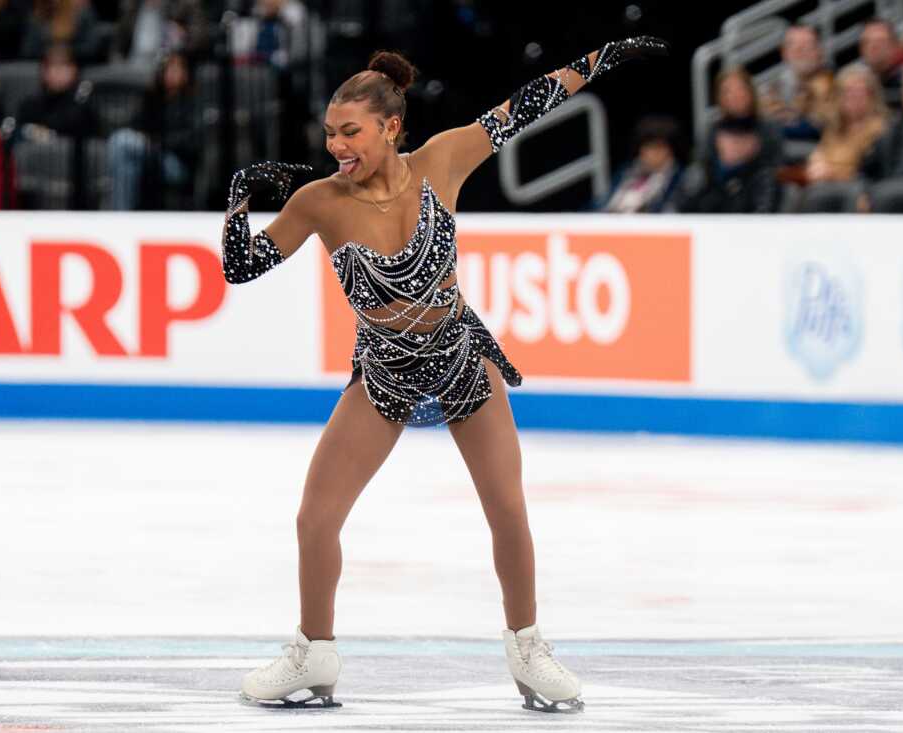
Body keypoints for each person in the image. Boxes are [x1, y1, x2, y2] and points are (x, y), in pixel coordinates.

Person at [222, 37, 670, 713]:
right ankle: (314, 653)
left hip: (462, 356)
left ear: (391, 127)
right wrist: (239, 198)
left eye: (351, 132)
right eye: (329, 134)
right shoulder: (320, 202)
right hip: (384, 371)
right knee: (317, 517)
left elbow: (524, 107)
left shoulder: (445, 159)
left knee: (507, 507)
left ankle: (529, 650)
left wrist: (601, 58)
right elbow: (242, 267)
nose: (338, 145)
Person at [106, 50, 200, 210]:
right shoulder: (153, 98)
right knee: (127, 162)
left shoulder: (192, 103)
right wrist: (146, 142)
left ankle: (119, 214)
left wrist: (156, 142)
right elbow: (134, 125)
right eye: (168, 69)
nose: (171, 73)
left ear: (186, 74)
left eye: (177, 69)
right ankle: (124, 213)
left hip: (177, 164)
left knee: (121, 142)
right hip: (150, 156)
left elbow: (192, 141)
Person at [806, 64, 889, 184]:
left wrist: (831, 173)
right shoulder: (835, 126)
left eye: (860, 91)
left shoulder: (880, 129)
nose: (854, 97)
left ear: (872, 97)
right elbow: (819, 152)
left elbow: (866, 171)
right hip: (825, 185)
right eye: (848, 92)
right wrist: (817, 163)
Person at [680, 116, 783, 213]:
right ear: (718, 140)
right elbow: (682, 211)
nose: (736, 144)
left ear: (756, 144)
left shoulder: (764, 176)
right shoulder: (702, 172)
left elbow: (762, 217)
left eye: (744, 138)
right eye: (730, 137)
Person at [760, 24, 835, 141]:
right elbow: (765, 125)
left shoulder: (836, 85)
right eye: (795, 47)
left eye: (808, 46)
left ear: (819, 50)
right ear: (784, 53)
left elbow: (820, 125)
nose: (802, 53)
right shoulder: (771, 88)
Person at [600, 115, 685, 213]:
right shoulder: (625, 172)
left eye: (657, 147)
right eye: (647, 147)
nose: (650, 153)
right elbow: (600, 204)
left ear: (671, 150)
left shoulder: (679, 180)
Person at [704, 67, 783, 169]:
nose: (736, 95)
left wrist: (752, 153)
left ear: (750, 92)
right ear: (720, 98)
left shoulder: (769, 128)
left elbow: (777, 168)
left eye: (740, 88)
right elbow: (706, 173)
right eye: (728, 91)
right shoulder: (713, 133)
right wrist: (724, 164)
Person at [16, 43, 97, 140]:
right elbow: (19, 130)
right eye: (54, 67)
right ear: (43, 71)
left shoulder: (83, 101)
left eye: (64, 67)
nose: (59, 73)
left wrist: (47, 132)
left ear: (74, 70)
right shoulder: (31, 103)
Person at [111, 0, 209, 65]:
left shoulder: (184, 4)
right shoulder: (131, 6)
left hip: (167, 65)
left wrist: (182, 40)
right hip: (133, 66)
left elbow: (200, 37)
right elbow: (117, 45)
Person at [21, 0, 102, 63]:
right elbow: (29, 50)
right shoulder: (36, 16)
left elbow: (91, 48)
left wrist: (67, 53)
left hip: (77, 64)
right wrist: (50, 53)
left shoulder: (82, 14)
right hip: (43, 65)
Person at [858, 17, 903, 110]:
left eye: (880, 42)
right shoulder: (855, 83)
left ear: (895, 46)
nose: (873, 47)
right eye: (867, 42)